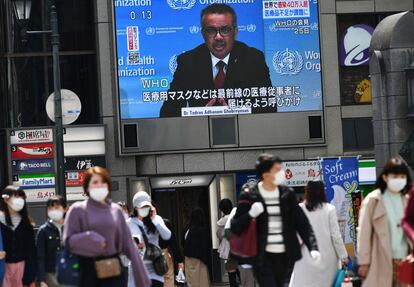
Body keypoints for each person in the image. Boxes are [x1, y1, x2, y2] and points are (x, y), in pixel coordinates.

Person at [160, 3, 273, 117]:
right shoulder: (188, 62)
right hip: (201, 132)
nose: (218, 37)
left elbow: (269, 108)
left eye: (225, 30)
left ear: (235, 32)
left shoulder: (253, 59)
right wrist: (198, 117)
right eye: (211, 31)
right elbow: (168, 114)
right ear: (203, 33)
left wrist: (238, 113)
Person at [231, 154, 319, 287]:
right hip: (262, 257)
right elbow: (236, 226)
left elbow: (302, 223)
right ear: (266, 174)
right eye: (277, 170)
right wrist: (250, 214)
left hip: (286, 255)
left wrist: (313, 247)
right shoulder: (250, 196)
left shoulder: (287, 194)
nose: (282, 173)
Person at [63, 166, 151, 287]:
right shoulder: (77, 210)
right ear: (87, 186)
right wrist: (91, 239)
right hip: (86, 270)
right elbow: (69, 241)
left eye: (102, 182)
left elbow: (129, 245)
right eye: (95, 182)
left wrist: (142, 279)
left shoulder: (116, 210)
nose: (99, 186)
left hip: (113, 269)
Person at [357, 158, 412, 287]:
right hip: (380, 259)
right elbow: (364, 232)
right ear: (385, 177)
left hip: (406, 260)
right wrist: (364, 261)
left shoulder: (407, 200)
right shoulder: (373, 200)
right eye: (395, 176)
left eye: (402, 176)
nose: (399, 180)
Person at [289, 180, 348, 287]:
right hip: (327, 256)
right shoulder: (329, 209)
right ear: (322, 191)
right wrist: (344, 256)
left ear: (307, 191)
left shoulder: (299, 208)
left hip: (305, 254)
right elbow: (335, 236)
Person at [127, 191, 171, 287]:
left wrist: (154, 219)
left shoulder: (156, 219)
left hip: (155, 269)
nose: (144, 209)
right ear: (135, 208)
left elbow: (167, 236)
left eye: (147, 206)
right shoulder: (129, 223)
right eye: (142, 207)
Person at [0, 186, 36, 287]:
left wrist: (30, 276)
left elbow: (31, 251)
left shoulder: (26, 222)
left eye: (21, 197)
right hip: (3, 267)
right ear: (6, 199)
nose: (19, 200)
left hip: (22, 268)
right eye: (15, 196)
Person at [36, 196, 67, 287]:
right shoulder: (43, 230)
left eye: (57, 207)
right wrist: (41, 280)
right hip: (50, 275)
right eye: (50, 208)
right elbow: (40, 257)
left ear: (65, 209)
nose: (53, 210)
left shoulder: (71, 227)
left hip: (70, 272)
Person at [184, 208, 211, 287]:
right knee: (202, 282)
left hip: (189, 258)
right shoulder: (203, 230)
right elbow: (207, 244)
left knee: (191, 282)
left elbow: (183, 243)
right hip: (201, 259)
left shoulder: (187, 229)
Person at [217, 199, 239, 287]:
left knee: (232, 274)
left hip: (230, 250)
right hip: (240, 247)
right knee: (240, 272)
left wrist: (222, 217)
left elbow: (219, 235)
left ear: (222, 210)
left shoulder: (222, 221)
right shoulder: (237, 216)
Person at [159, 219, 184, 287]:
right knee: (168, 277)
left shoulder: (142, 224)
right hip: (163, 253)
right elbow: (173, 243)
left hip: (146, 254)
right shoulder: (164, 223)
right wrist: (180, 260)